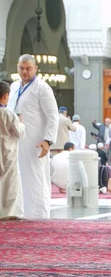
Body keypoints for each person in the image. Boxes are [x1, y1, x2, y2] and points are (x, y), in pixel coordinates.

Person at [7, 54, 59, 219]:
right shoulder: (14, 86)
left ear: (35, 68)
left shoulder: (42, 88)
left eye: (28, 68)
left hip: (35, 143)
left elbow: (52, 116)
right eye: (22, 68)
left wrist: (48, 140)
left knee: (36, 178)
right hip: (15, 141)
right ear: (17, 67)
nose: (24, 71)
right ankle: (19, 213)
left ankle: (39, 216)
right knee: (17, 178)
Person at [0, 81, 26, 219]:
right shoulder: (9, 114)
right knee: (10, 184)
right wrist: (21, 123)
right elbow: (19, 133)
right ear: (6, 96)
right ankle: (9, 213)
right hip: (7, 152)